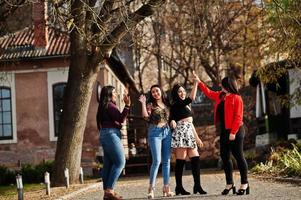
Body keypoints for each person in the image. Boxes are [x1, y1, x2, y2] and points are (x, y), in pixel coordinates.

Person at [194, 72, 249, 195]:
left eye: (222, 85)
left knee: (239, 156)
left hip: (236, 130)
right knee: (225, 157)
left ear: (228, 85)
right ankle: (230, 183)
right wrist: (199, 82)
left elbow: (238, 117)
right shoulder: (221, 96)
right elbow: (209, 93)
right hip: (224, 130)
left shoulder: (237, 98)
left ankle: (244, 183)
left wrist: (233, 132)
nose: (221, 87)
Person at [169, 79, 207, 196]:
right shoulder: (176, 104)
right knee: (181, 161)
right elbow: (190, 98)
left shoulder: (187, 106)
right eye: (179, 92)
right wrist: (196, 83)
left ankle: (197, 185)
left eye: (183, 91)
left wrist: (197, 138)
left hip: (189, 133)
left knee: (195, 159)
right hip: (180, 133)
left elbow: (190, 123)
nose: (182, 93)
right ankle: (179, 187)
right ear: (176, 94)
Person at [139, 85, 173, 199]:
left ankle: (166, 188)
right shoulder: (150, 105)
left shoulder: (167, 104)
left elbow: (171, 116)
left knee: (167, 161)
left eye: (157, 91)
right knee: (157, 160)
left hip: (167, 132)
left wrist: (173, 121)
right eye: (153, 92)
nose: (155, 93)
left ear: (161, 91)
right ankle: (151, 189)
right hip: (155, 133)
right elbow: (145, 116)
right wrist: (143, 103)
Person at [96, 86, 131, 200]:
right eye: (115, 92)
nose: (116, 94)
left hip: (105, 134)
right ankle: (110, 190)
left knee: (109, 164)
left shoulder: (103, 107)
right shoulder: (110, 105)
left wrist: (117, 125)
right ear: (109, 94)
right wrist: (127, 105)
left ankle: (107, 193)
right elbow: (121, 118)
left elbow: (114, 122)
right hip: (111, 135)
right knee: (120, 162)